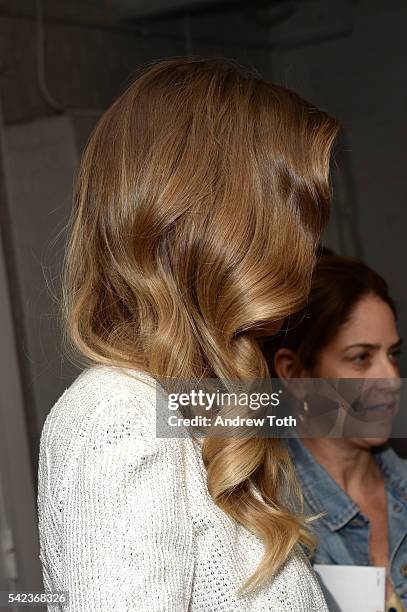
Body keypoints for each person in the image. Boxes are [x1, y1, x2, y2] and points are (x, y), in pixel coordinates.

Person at [36, 57, 339, 611]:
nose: (308, 246)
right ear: (222, 225)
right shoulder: (119, 419)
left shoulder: (188, 408)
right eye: (295, 215)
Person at [264, 254, 406, 611]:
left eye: (393, 355)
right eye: (361, 358)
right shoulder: (269, 515)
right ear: (294, 374)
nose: (390, 380)